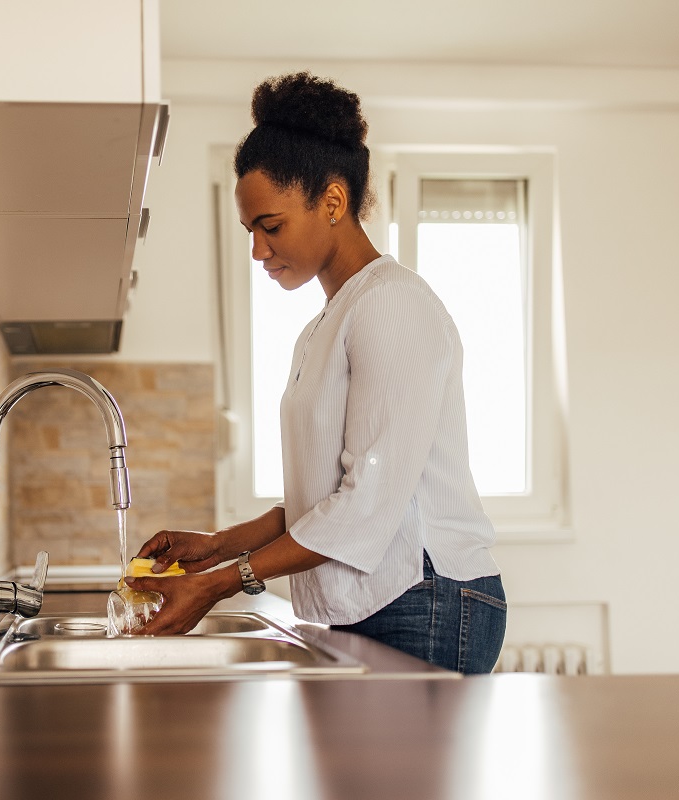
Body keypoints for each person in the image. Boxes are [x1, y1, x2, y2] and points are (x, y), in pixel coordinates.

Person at [125, 72, 506, 674]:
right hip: (383, 597)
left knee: (392, 773)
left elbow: (368, 504)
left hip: (425, 594)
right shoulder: (329, 322)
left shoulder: (392, 305)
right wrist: (217, 546)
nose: (257, 250)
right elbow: (326, 497)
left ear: (333, 201)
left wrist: (225, 581)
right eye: (251, 230)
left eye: (270, 226)